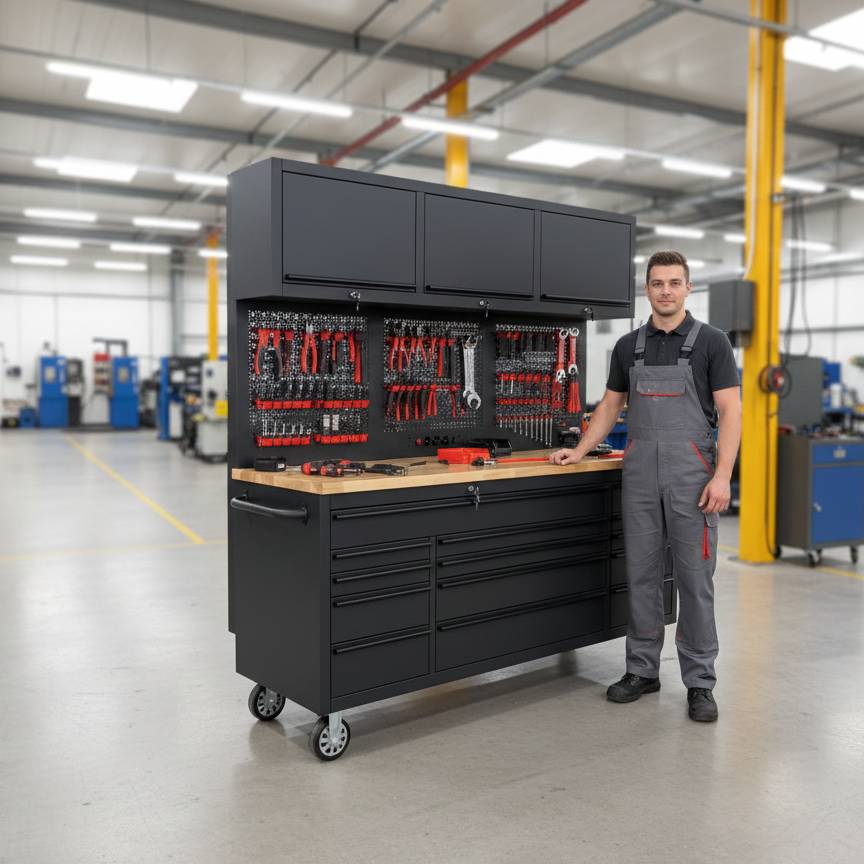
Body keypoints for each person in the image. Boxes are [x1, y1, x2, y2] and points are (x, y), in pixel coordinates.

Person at [550, 250, 741, 722]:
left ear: (689, 288)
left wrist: (722, 476)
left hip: (693, 474)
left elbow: (732, 413)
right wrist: (580, 449)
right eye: (657, 283)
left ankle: (699, 682)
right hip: (638, 473)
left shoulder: (713, 343)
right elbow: (611, 407)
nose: (666, 291)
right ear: (648, 289)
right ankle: (642, 670)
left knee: (695, 581)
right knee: (641, 574)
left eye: (675, 283)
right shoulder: (628, 346)